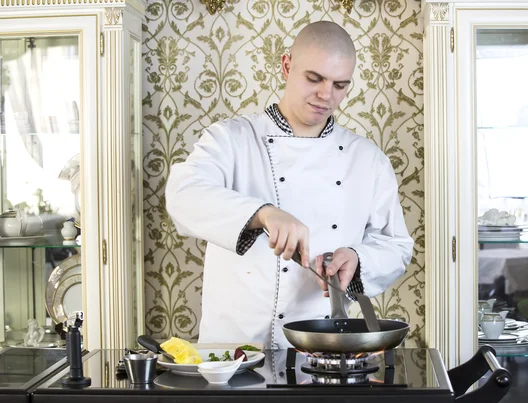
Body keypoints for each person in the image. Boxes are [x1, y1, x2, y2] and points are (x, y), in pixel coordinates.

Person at [165, 21, 414, 349]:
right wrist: (261, 213)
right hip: (234, 350)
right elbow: (183, 195)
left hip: (323, 349)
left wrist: (357, 258)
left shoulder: (367, 159)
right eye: (315, 79)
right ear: (286, 66)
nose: (326, 95)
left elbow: (396, 245)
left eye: (340, 85)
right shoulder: (231, 139)